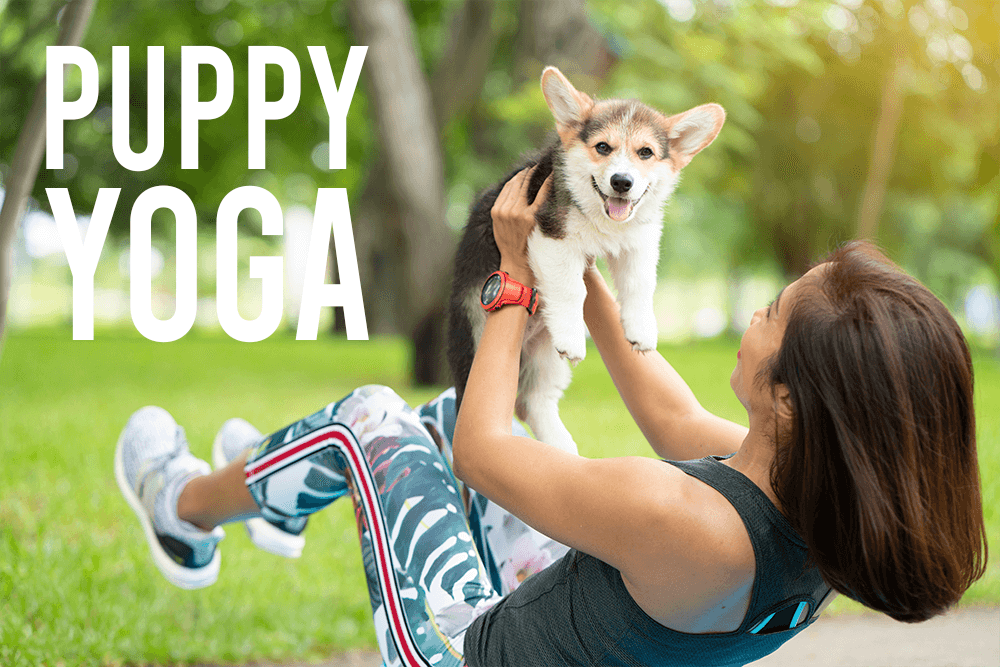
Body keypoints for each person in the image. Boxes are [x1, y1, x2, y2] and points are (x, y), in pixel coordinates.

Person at [115, 167, 987, 667]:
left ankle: (181, 510)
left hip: (456, 651)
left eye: (772, 313)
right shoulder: (824, 505)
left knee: (373, 419)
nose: (753, 319)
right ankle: (278, 487)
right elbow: (667, 410)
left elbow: (482, 453)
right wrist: (573, 253)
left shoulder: (684, 521)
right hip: (566, 629)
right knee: (446, 411)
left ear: (789, 397)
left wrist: (511, 275)